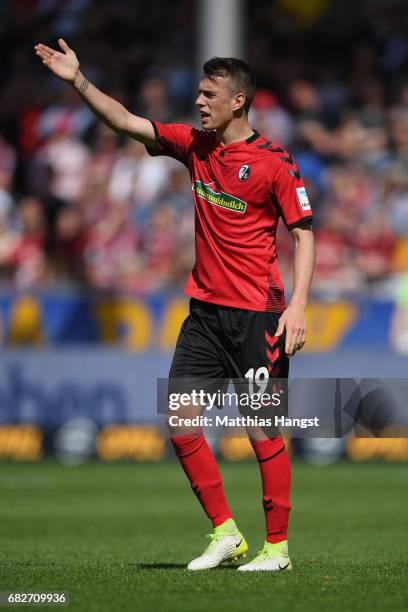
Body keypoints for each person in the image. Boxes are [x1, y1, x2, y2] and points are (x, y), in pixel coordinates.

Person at [35, 40, 316, 571]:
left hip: (259, 314)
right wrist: (78, 81)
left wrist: (298, 305)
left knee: (261, 430)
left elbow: (304, 234)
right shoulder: (195, 145)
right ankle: (226, 533)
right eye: (199, 93)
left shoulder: (275, 162)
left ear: (238, 101)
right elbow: (126, 122)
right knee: (180, 419)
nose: (199, 102)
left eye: (209, 94)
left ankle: (276, 548)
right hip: (205, 313)